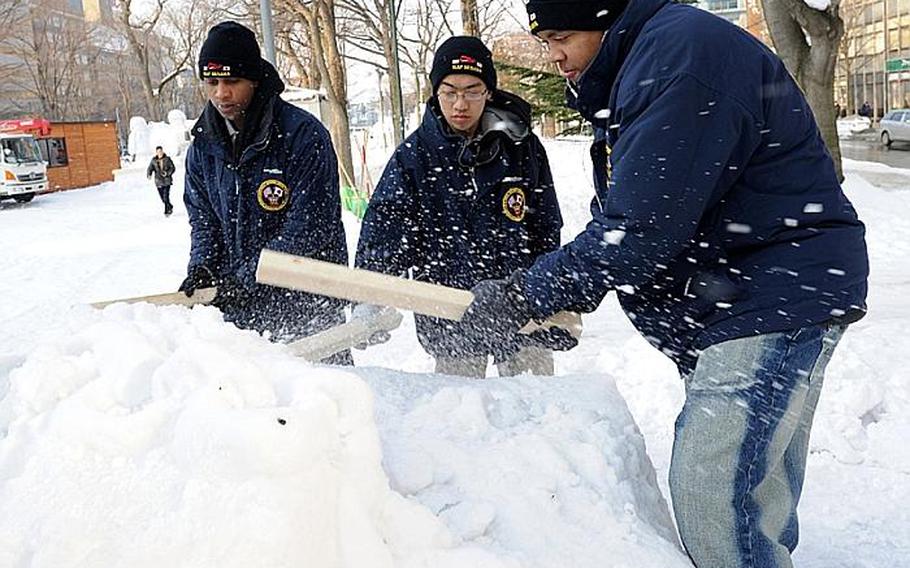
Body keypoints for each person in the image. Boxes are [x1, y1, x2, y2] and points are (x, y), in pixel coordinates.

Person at [458, 1, 870, 566]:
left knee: (714, 492)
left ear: (602, 18)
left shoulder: (678, 61)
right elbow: (638, 211)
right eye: (545, 39)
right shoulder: (652, 57)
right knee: (751, 490)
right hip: (754, 289)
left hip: (771, 291)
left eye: (562, 36)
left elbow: (638, 229)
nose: (554, 56)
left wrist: (524, 296)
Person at [354, 36, 564, 378]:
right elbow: (385, 229)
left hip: (521, 314)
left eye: (472, 90)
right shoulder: (415, 158)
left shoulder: (521, 148)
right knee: (462, 420)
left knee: (537, 418)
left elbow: (545, 226)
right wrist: (369, 293)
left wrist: (546, 288)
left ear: (489, 92)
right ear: (436, 93)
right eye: (449, 91)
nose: (460, 104)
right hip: (452, 320)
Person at [180, 21, 350, 364]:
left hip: (308, 306)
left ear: (254, 80)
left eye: (232, 82)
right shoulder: (202, 148)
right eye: (212, 83)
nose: (221, 94)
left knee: (328, 408)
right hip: (243, 317)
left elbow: (310, 227)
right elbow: (205, 223)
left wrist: (248, 277)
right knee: (257, 408)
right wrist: (203, 268)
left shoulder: (303, 136)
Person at [146, 146, 175, 216]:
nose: (160, 153)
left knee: (166, 196)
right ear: (156, 152)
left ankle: (167, 211)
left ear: (163, 151)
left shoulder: (167, 159)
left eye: (161, 151)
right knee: (163, 198)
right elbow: (150, 168)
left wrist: (167, 173)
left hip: (167, 181)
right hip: (158, 181)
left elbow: (172, 168)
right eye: (158, 152)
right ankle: (169, 206)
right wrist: (149, 174)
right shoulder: (154, 160)